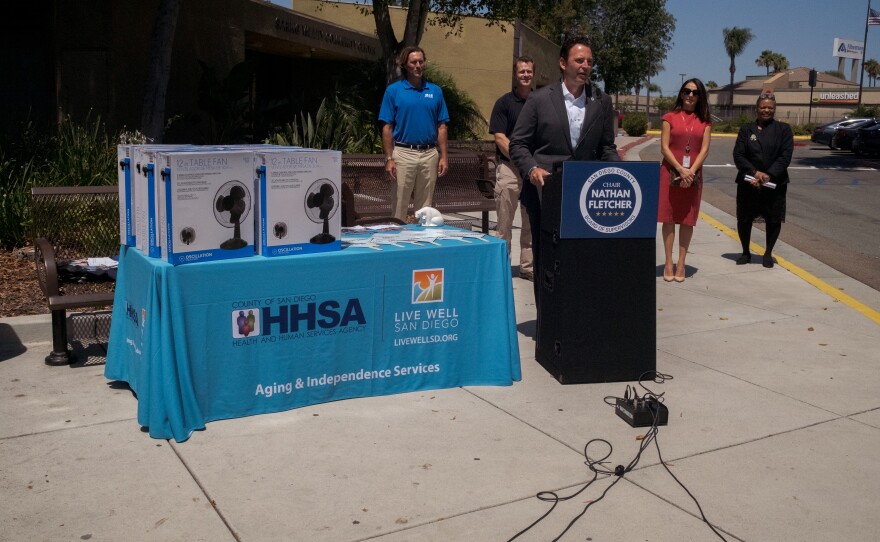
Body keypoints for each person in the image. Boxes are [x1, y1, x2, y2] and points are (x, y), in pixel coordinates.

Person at [509, 35, 620, 303]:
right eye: (579, 60)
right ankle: (546, 321)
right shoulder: (539, 99)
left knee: (579, 258)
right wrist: (532, 168)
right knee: (547, 255)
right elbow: (518, 144)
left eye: (589, 62)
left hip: (584, 195)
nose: (585, 66)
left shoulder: (601, 101)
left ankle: (576, 317)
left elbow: (606, 147)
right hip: (545, 191)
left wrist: (622, 174)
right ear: (563, 63)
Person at [378, 46, 450, 221]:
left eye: (421, 61)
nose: (418, 65)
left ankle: (422, 245)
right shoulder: (394, 91)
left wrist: (444, 157)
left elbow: (442, 126)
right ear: (405, 65)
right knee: (399, 205)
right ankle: (398, 245)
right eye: (413, 62)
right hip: (403, 154)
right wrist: (389, 159)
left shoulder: (435, 91)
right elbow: (386, 127)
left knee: (425, 208)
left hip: (429, 154)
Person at [658, 78, 712, 282]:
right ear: (681, 93)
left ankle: (681, 263)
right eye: (687, 91)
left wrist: (691, 171)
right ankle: (668, 262)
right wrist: (681, 169)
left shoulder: (705, 122)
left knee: (687, 219)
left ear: (700, 97)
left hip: (693, 176)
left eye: (695, 92)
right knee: (669, 218)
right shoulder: (668, 118)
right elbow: (664, 148)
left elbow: (704, 150)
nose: (690, 95)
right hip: (670, 172)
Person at [732, 92, 793, 268]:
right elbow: (738, 154)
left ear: (774, 109)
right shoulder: (746, 129)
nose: (766, 110)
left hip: (775, 184)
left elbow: (785, 156)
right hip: (748, 183)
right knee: (744, 219)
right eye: (763, 107)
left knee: (773, 219)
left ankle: (768, 253)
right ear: (757, 108)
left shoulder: (784, 130)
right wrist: (754, 172)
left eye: (770, 107)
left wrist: (769, 174)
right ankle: (745, 252)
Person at [489, 56, 535, 281]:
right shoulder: (504, 103)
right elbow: (499, 137)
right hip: (509, 169)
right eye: (521, 72)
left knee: (530, 222)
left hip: (534, 172)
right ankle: (502, 266)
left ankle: (528, 267)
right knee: (505, 222)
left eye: (529, 71)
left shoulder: (540, 102)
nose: (525, 75)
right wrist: (521, 159)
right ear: (515, 75)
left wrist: (532, 164)